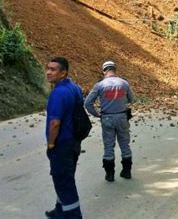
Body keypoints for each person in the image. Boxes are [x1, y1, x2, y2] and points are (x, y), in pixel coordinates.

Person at [45, 57, 83, 219]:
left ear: (63, 73)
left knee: (63, 180)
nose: (48, 72)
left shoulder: (58, 93)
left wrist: (51, 143)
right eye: (47, 68)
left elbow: (54, 123)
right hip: (74, 141)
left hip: (62, 144)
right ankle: (60, 209)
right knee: (65, 177)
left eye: (53, 69)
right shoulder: (74, 88)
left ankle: (74, 215)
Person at [84, 61, 134, 182]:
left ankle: (110, 174)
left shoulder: (99, 85)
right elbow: (131, 99)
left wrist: (97, 114)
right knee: (125, 145)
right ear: (114, 70)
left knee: (108, 146)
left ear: (104, 71)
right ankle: (126, 172)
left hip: (107, 118)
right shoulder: (124, 83)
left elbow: (87, 103)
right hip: (122, 117)